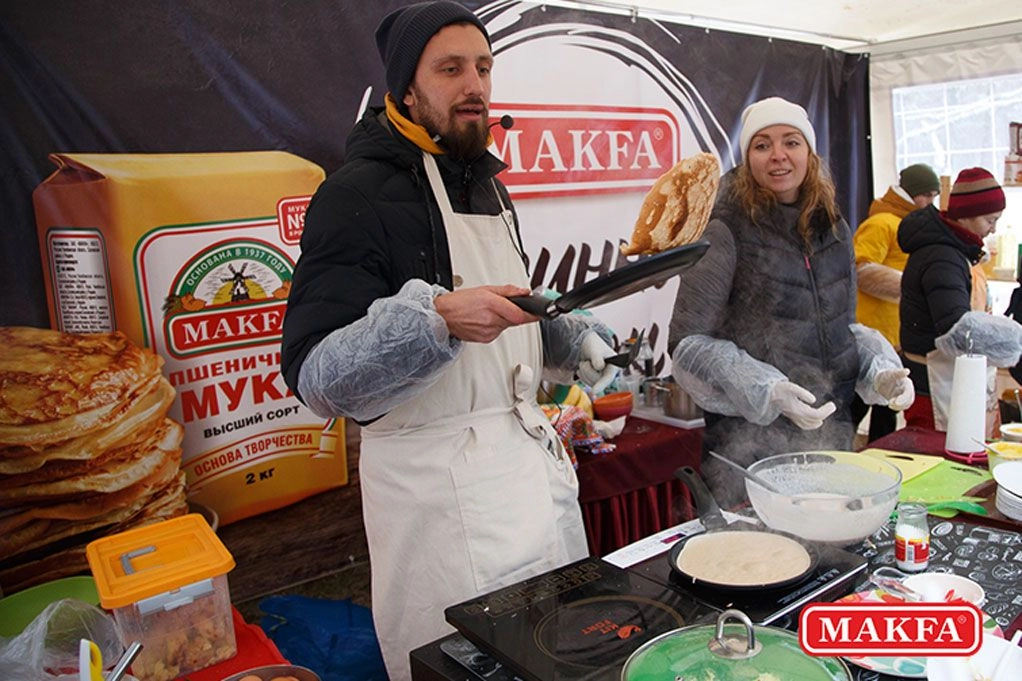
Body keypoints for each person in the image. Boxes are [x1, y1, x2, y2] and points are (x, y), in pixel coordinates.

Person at [279, 3, 620, 679]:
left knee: (561, 658)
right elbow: (317, 375)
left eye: (484, 67)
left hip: (533, 481)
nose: (475, 85)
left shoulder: (490, 187)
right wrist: (432, 319)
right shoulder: (354, 195)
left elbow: (506, 313)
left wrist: (569, 338)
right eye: (451, 68)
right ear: (407, 86)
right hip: (439, 505)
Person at [667, 96, 915, 508]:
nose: (778, 156)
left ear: (809, 152)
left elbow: (845, 328)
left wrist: (881, 371)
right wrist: (768, 390)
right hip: (745, 449)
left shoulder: (833, 228)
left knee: (829, 547)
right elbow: (687, 347)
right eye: (762, 145)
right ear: (747, 157)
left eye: (791, 142)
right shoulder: (723, 228)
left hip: (830, 435)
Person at [899, 167, 1022, 431]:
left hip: (950, 374)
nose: (993, 229)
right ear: (967, 215)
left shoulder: (956, 249)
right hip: (934, 382)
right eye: (990, 220)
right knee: (937, 458)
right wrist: (1015, 340)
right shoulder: (942, 257)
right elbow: (955, 327)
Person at [850, 163, 940, 442]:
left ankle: (878, 457)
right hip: (871, 334)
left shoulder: (909, 226)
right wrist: (915, 285)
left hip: (896, 335)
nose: (932, 203)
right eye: (929, 195)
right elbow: (860, 268)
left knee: (888, 408)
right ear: (915, 194)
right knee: (856, 406)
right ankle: (836, 453)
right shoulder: (881, 223)